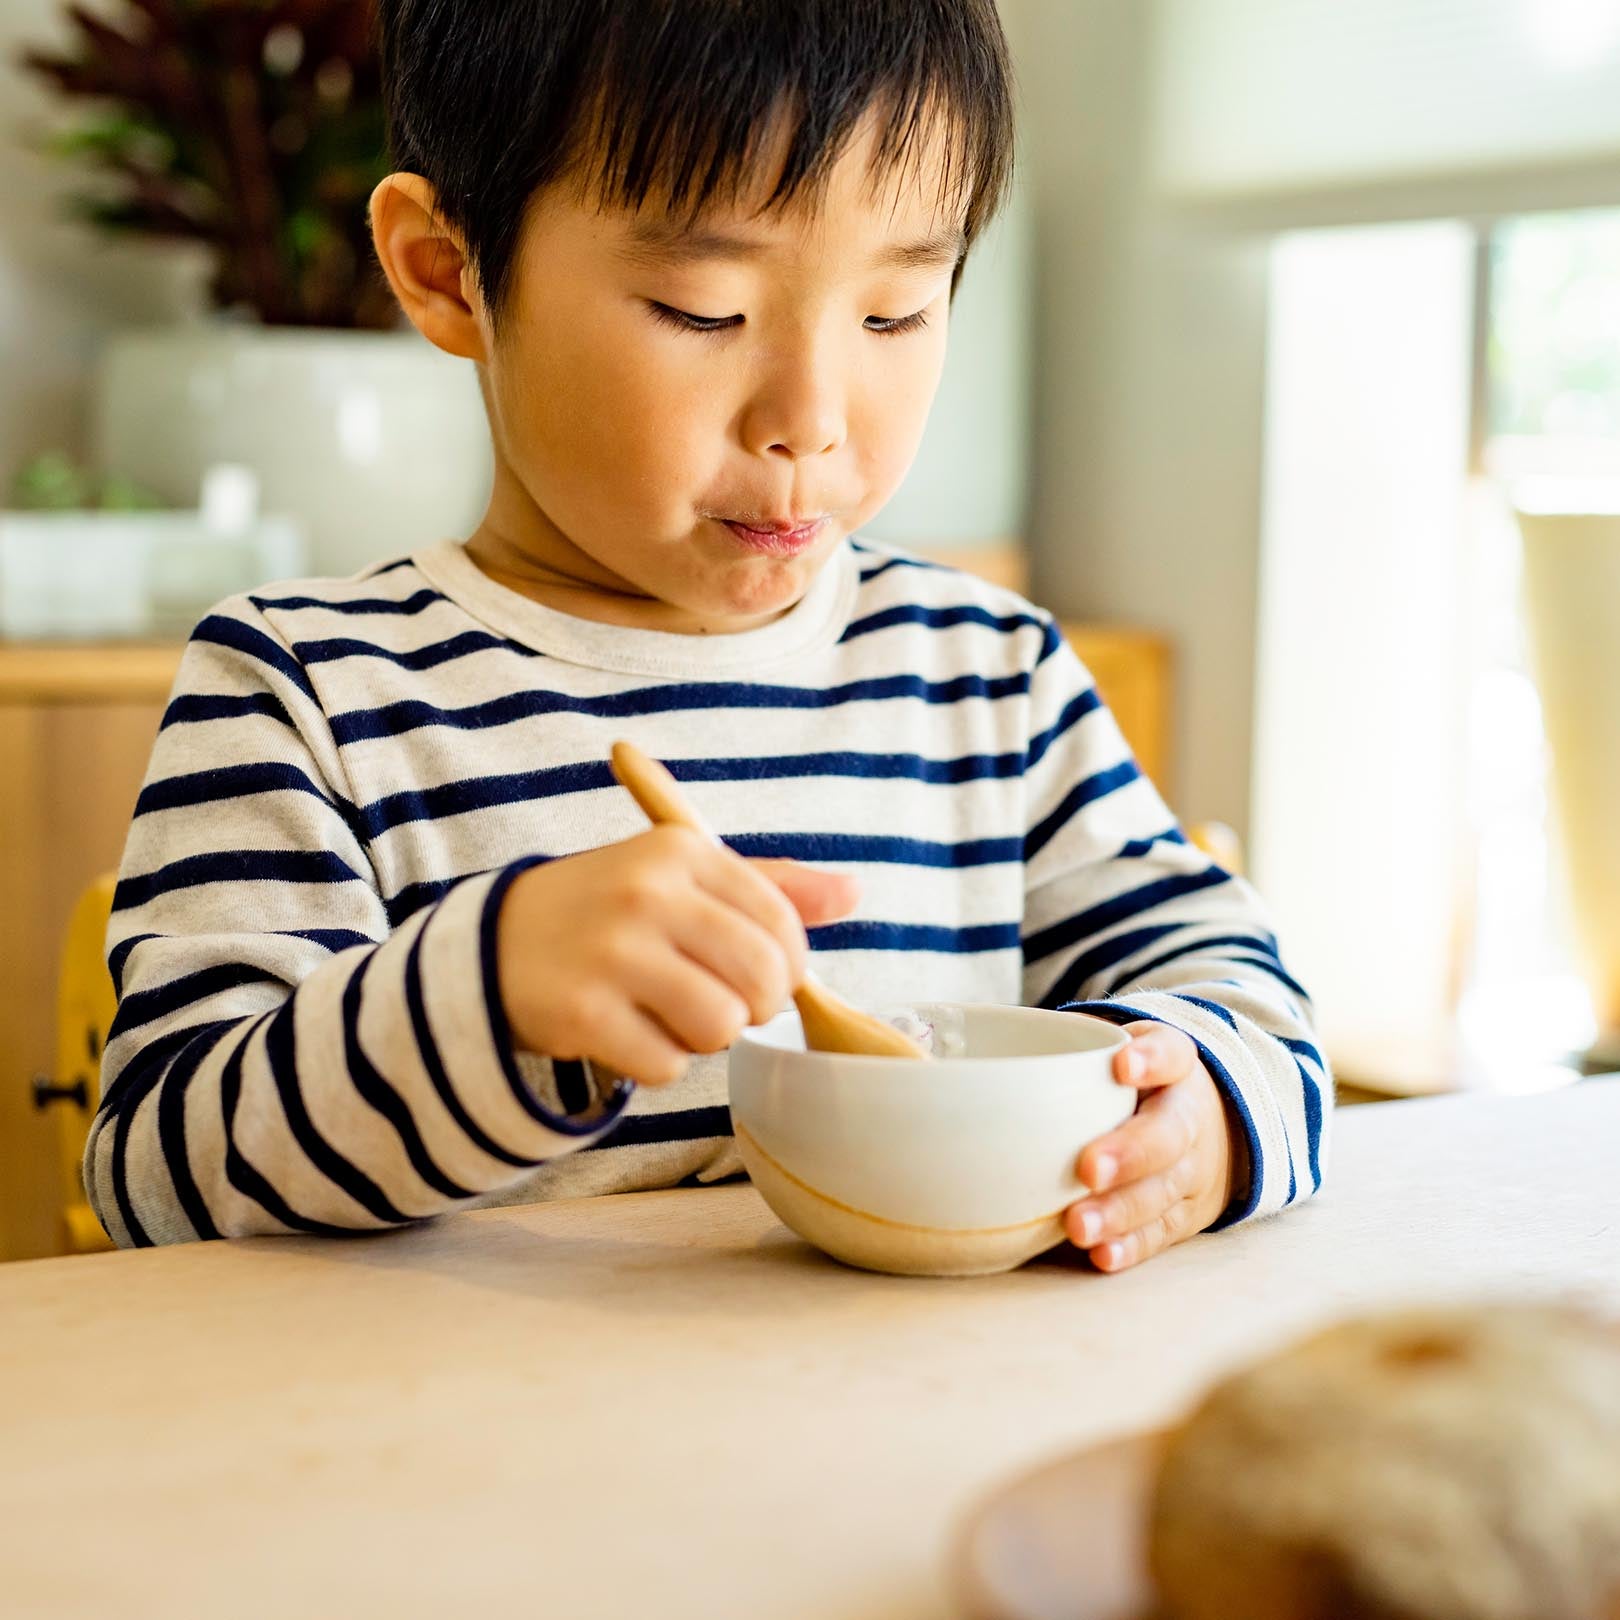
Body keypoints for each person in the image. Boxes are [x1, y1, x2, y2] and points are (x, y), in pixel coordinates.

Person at [90, 0, 1330, 1270]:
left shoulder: (990, 678)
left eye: (894, 311)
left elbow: (1244, 1004)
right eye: (700, 308)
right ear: (447, 271)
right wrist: (489, 994)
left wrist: (1205, 1117)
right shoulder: (306, 692)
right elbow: (159, 1174)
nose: (810, 418)